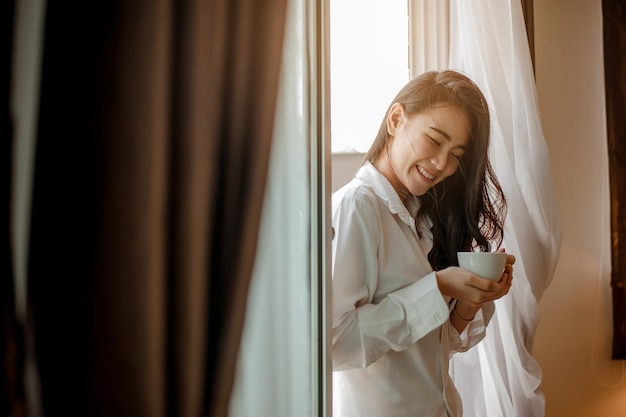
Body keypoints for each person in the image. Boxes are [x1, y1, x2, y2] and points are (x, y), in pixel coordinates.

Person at [331, 70, 515, 417]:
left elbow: (434, 344)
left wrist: (469, 300)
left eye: (456, 154)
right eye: (434, 140)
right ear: (396, 119)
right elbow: (334, 344)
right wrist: (439, 284)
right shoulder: (357, 207)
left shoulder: (423, 218)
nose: (443, 164)